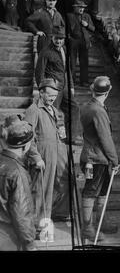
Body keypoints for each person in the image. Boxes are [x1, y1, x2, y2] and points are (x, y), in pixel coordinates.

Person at [24, 78, 69, 233]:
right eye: (49, 95)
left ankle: (43, 224)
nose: (52, 98)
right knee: (39, 192)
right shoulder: (33, 110)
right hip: (42, 157)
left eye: (55, 96)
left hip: (55, 155)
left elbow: (60, 134)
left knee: (49, 192)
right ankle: (35, 228)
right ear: (41, 92)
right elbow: (27, 136)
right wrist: (36, 157)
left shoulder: (54, 110)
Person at [80, 76, 120, 241]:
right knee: (91, 191)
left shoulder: (88, 106)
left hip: (95, 156)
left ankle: (100, 221)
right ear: (108, 92)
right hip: (96, 159)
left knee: (103, 190)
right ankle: (87, 228)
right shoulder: (98, 111)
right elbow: (106, 138)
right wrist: (115, 160)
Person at [34, 27, 82, 145]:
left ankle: (71, 138)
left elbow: (67, 69)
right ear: (52, 38)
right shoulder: (45, 52)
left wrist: (71, 86)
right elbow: (39, 72)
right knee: (51, 113)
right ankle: (51, 139)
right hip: (51, 87)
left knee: (74, 108)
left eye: (61, 39)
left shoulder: (63, 49)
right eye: (57, 38)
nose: (59, 41)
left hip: (64, 86)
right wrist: (43, 90)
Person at [0, 121, 37, 251]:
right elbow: (22, 213)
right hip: (8, 238)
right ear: (26, 146)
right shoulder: (18, 173)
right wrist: (30, 243)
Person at [67, 0, 95, 87]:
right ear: (75, 8)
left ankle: (84, 81)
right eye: (80, 7)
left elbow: (93, 29)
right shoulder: (69, 16)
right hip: (73, 40)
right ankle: (72, 81)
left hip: (84, 41)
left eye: (83, 7)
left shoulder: (87, 16)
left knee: (84, 62)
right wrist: (68, 38)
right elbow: (65, 29)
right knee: (72, 62)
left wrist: (87, 25)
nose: (82, 9)